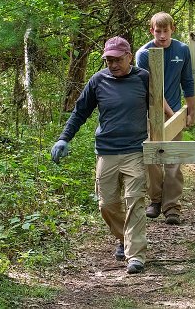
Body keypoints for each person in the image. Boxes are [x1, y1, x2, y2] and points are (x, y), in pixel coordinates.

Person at [51, 36, 150, 274]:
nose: (113, 65)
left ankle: (136, 256)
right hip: (106, 151)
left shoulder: (144, 78)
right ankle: (123, 238)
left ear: (129, 56)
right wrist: (64, 137)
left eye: (117, 59)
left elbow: (159, 107)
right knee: (107, 205)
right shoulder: (98, 80)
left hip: (136, 150)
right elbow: (80, 112)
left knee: (135, 200)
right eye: (108, 60)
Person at [135, 12, 195, 225]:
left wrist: (191, 111)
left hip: (176, 111)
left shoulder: (182, 50)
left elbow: (188, 81)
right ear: (151, 31)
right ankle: (155, 201)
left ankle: (172, 208)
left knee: (173, 160)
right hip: (151, 112)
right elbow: (152, 90)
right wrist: (171, 115)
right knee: (153, 158)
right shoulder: (143, 54)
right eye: (157, 31)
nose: (161, 35)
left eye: (165, 30)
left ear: (173, 29)